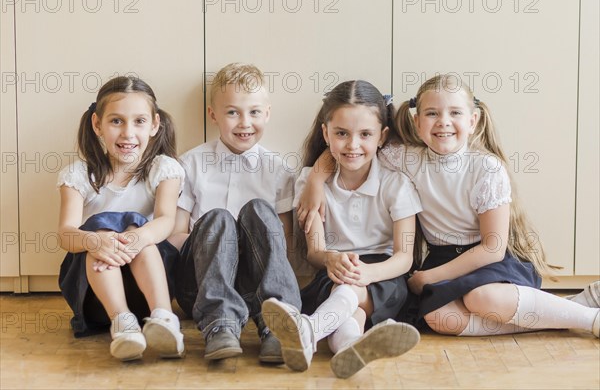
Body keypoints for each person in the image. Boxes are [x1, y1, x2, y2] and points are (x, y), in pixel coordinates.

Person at [297, 74, 600, 339]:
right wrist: (315, 181)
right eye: (431, 113)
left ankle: (589, 319)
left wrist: (430, 277)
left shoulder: (486, 168)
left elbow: (493, 248)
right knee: (439, 318)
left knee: (482, 298)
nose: (443, 122)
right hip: (442, 259)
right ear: (416, 122)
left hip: (488, 260)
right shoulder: (407, 158)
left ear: (473, 121)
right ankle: (561, 314)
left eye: (455, 112)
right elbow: (352, 149)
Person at [262, 80, 421, 379]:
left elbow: (405, 256)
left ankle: (309, 329)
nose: (352, 145)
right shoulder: (310, 183)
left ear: (382, 136)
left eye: (365, 135)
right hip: (332, 270)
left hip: (384, 275)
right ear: (326, 133)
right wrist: (331, 258)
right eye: (341, 134)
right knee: (351, 307)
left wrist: (368, 273)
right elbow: (314, 252)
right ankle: (351, 345)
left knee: (350, 288)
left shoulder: (396, 184)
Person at [168, 63, 301, 363]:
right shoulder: (190, 165)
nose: (244, 122)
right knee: (219, 218)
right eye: (232, 112)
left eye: (254, 112)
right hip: (200, 287)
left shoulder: (279, 171)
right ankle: (220, 324)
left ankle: (278, 325)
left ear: (267, 113)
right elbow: (176, 234)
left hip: (257, 290)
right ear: (213, 115)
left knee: (258, 211)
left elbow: (283, 246)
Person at [57, 76, 185, 361]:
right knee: (100, 228)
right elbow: (65, 232)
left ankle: (165, 318)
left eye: (139, 121)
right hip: (94, 294)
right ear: (97, 125)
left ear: (154, 125)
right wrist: (95, 241)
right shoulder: (79, 175)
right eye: (116, 121)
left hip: (148, 288)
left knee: (139, 227)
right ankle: (122, 322)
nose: (128, 133)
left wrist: (136, 238)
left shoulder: (164, 169)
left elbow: (165, 219)